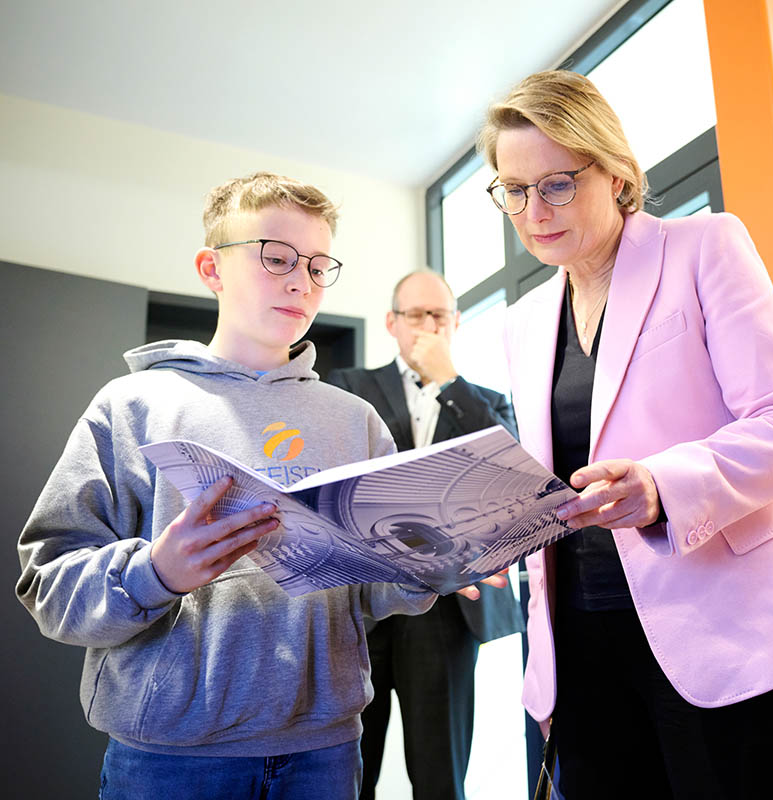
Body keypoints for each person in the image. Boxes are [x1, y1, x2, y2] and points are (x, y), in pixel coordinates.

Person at [15, 172, 499, 800]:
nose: (301, 280)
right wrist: (155, 571)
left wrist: (423, 569)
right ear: (211, 269)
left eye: (319, 265)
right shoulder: (131, 405)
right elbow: (47, 582)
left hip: (324, 753)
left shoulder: (356, 420)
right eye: (276, 257)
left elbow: (370, 594)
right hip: (169, 760)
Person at [476, 70, 773, 799]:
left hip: (722, 631)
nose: (531, 210)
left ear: (615, 174)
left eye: (555, 184)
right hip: (581, 650)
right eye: (512, 190)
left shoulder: (704, 247)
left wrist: (661, 485)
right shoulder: (523, 322)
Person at [326, 269, 523, 800]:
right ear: (392, 322)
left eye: (440, 315)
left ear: (456, 323)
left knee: (441, 772)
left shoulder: (485, 400)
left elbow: (510, 470)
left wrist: (449, 383)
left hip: (449, 606)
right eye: (416, 315)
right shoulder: (348, 388)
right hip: (363, 603)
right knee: (348, 771)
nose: (428, 326)